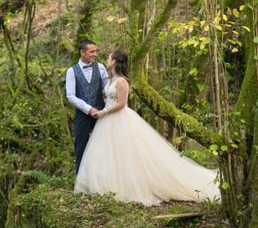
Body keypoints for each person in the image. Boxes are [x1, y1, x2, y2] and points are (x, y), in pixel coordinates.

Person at [74, 50, 220, 206]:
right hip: (106, 121)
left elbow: (122, 104)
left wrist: (104, 112)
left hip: (118, 118)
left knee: (127, 153)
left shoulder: (122, 81)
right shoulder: (110, 79)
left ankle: (129, 186)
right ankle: (109, 186)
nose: (106, 59)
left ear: (115, 61)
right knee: (109, 153)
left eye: (109, 58)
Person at [65, 40, 109, 174]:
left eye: (96, 51)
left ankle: (104, 179)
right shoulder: (71, 71)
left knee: (104, 147)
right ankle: (81, 183)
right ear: (82, 52)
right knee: (81, 148)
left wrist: (107, 106)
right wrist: (88, 109)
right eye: (92, 51)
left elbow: (106, 90)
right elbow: (70, 95)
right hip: (82, 115)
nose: (95, 54)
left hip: (101, 113)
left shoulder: (101, 67)